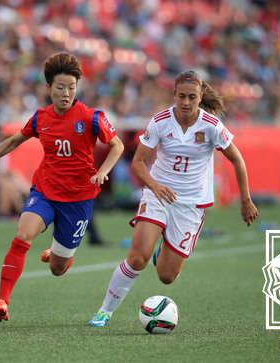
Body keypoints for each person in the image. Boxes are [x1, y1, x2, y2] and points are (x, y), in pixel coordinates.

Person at [88, 70, 258, 327]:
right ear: (174, 95)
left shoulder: (211, 127)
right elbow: (138, 163)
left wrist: (245, 200)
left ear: (200, 98)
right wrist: (155, 186)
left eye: (192, 97)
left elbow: (237, 159)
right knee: (137, 257)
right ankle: (105, 311)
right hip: (158, 195)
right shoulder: (161, 121)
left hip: (190, 205)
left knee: (167, 276)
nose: (186, 102)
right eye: (181, 96)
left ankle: (163, 250)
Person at [0, 52, 124, 322]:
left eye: (72, 88)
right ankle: (2, 300)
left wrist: (102, 172)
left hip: (78, 199)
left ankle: (58, 253)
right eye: (60, 87)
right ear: (48, 87)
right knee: (23, 235)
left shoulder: (90, 117)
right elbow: (13, 141)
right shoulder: (41, 118)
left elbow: (117, 145)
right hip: (45, 190)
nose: (66, 94)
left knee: (57, 269)